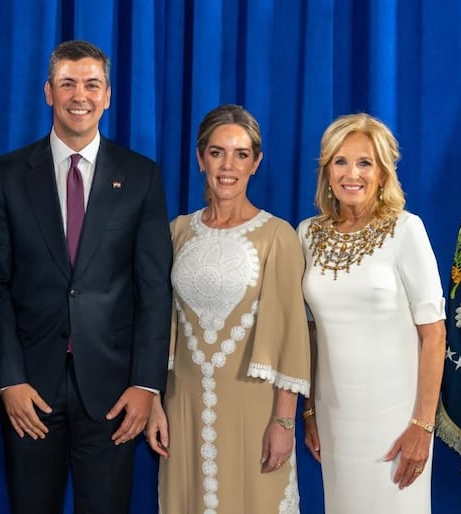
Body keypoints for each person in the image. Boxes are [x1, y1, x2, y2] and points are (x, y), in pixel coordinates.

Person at [0, 40, 172, 514]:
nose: (79, 95)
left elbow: (154, 289)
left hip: (113, 395)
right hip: (29, 393)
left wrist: (146, 385)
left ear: (108, 96)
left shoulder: (141, 176)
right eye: (67, 83)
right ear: (48, 92)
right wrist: (8, 381)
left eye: (91, 84)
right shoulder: (4, 176)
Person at [144, 104, 311, 513]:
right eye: (217, 152)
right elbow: (157, 323)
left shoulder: (278, 236)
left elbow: (292, 334)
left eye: (240, 154)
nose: (227, 166)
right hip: (183, 406)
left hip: (255, 409)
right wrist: (153, 403)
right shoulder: (177, 231)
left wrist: (284, 422)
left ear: (256, 162)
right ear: (201, 158)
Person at [298, 113, 446, 513]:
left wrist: (423, 425)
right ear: (327, 170)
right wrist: (309, 409)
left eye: (365, 162)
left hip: (396, 419)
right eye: (340, 161)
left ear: (383, 173)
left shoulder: (406, 230)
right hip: (334, 416)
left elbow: (434, 335)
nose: (352, 173)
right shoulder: (307, 234)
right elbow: (309, 332)